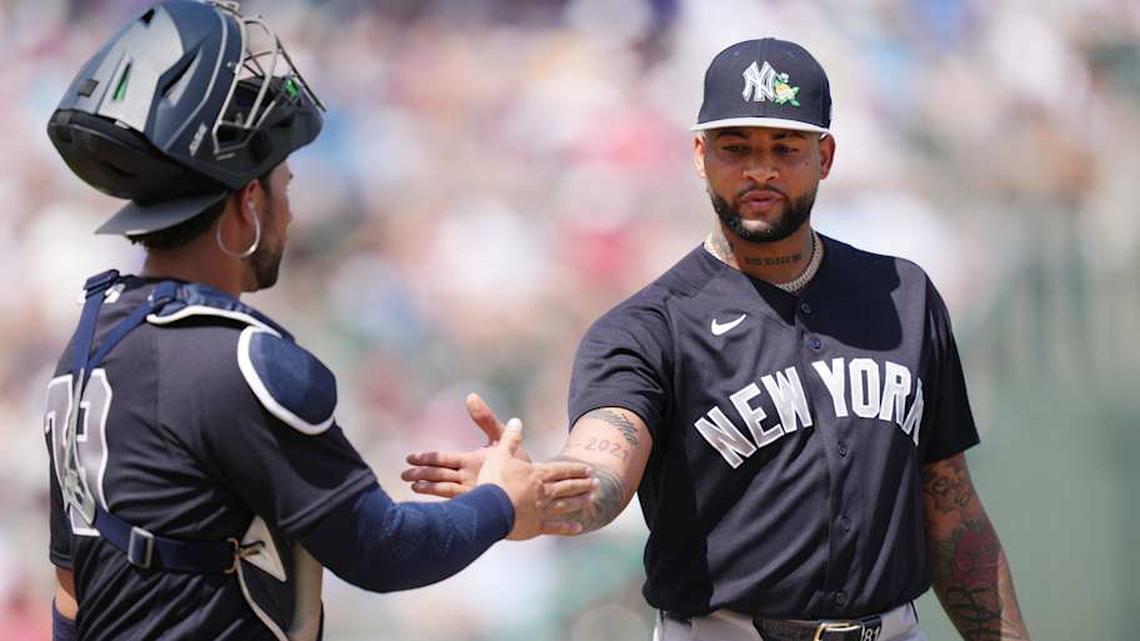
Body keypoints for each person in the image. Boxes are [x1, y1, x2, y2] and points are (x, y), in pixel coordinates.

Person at [402, 38, 1032, 641]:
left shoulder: (904, 296)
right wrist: (541, 496)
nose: (760, 169)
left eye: (786, 147)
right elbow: (604, 466)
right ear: (701, 155)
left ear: (826, 156)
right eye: (736, 148)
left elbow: (951, 503)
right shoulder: (648, 327)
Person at [41, 2, 593, 640]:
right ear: (247, 204)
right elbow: (383, 549)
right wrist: (501, 502)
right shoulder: (239, 362)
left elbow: (71, 599)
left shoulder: (88, 346)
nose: (290, 212)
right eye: (284, 185)